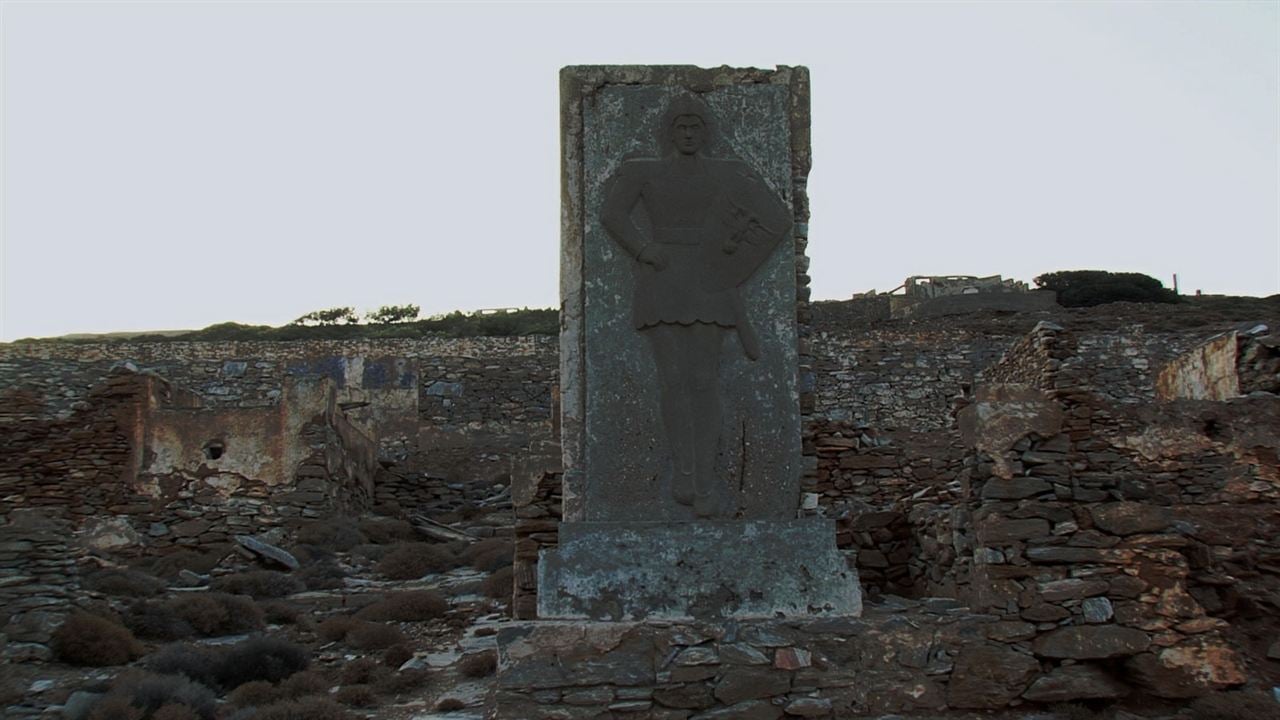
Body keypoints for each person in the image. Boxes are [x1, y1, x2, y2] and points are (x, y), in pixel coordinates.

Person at [600, 95, 791, 518]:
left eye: (696, 126)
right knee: (671, 377)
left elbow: (774, 217)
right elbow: (612, 214)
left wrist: (737, 262)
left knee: (704, 378)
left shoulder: (728, 173)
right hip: (662, 275)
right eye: (681, 127)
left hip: (710, 278)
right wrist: (643, 247)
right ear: (668, 132)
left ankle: (704, 476)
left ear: (706, 131)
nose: (688, 134)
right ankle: (683, 471)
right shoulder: (642, 171)